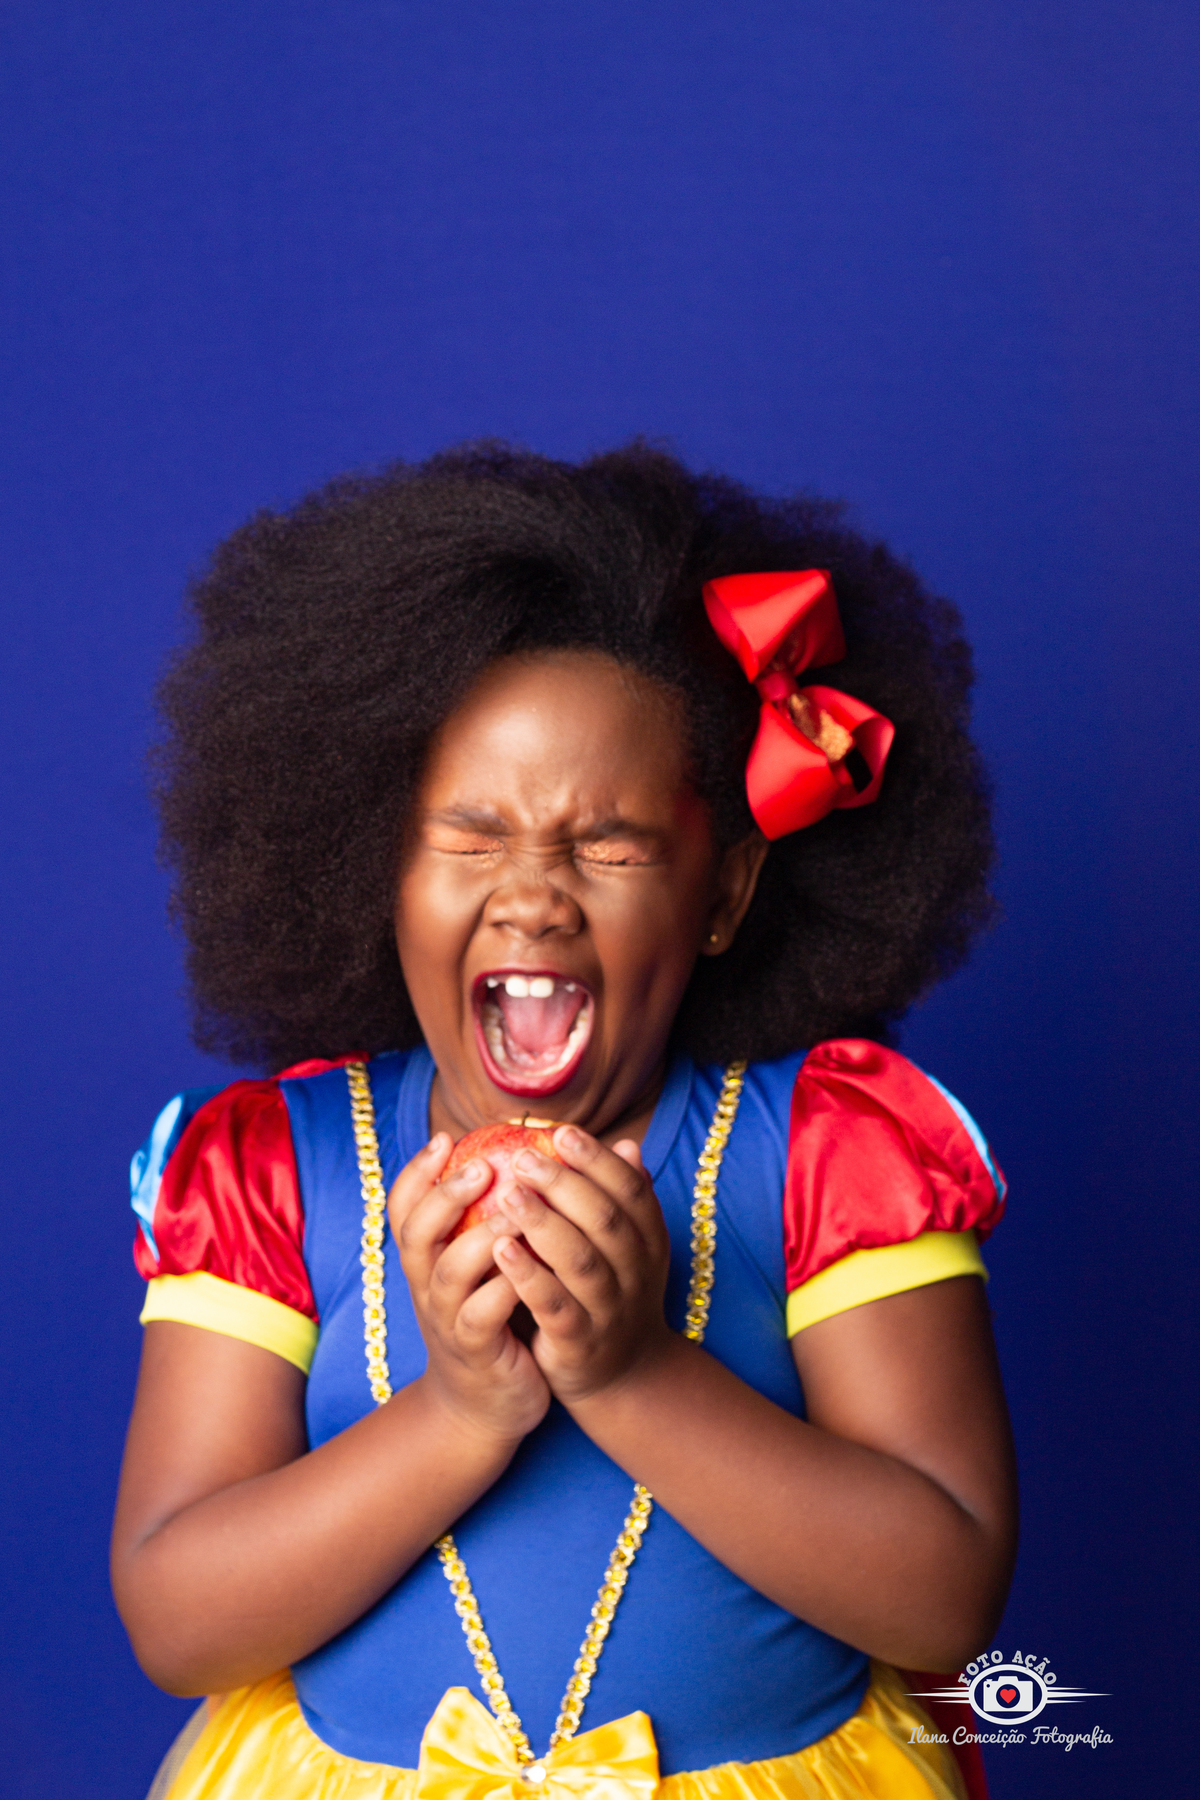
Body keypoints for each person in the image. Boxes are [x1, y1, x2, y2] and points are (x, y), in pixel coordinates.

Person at [113, 443, 1016, 1800]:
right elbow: (180, 1620)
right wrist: (465, 1411)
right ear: (379, 871)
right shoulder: (272, 1176)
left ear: (725, 892)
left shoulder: (834, 1156)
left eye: (612, 845)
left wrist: (632, 1374)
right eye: (470, 839)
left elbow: (944, 1601)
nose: (534, 894)